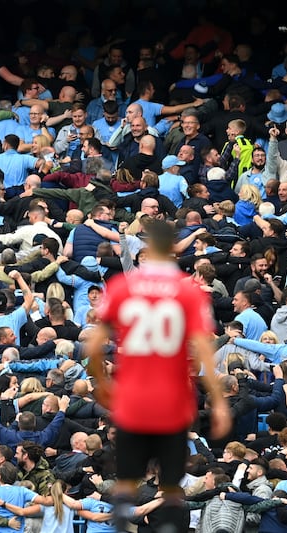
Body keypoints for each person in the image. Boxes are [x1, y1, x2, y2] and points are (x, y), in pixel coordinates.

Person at [86, 219, 230, 530]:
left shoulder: (124, 285)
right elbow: (204, 347)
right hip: (172, 396)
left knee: (126, 477)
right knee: (171, 481)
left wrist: (101, 382)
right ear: (174, 250)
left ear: (148, 248)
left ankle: (123, 520)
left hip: (133, 393)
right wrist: (217, 399)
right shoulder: (186, 291)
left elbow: (96, 342)